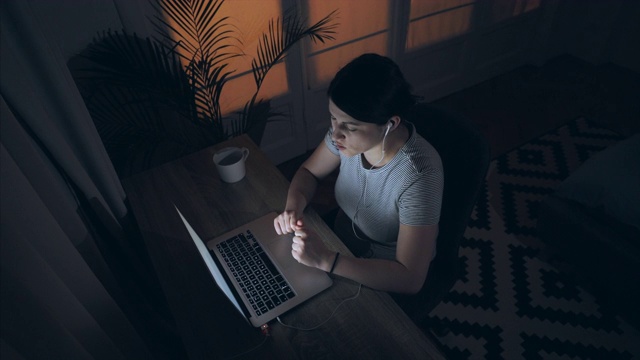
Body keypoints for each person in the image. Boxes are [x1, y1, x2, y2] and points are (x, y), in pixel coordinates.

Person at [273, 53, 443, 294]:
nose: (335, 134)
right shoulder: (344, 139)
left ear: (390, 124)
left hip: (384, 269)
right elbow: (309, 172)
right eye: (333, 118)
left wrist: (327, 261)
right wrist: (293, 207)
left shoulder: (419, 176)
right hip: (341, 241)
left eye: (349, 127)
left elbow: (410, 279)